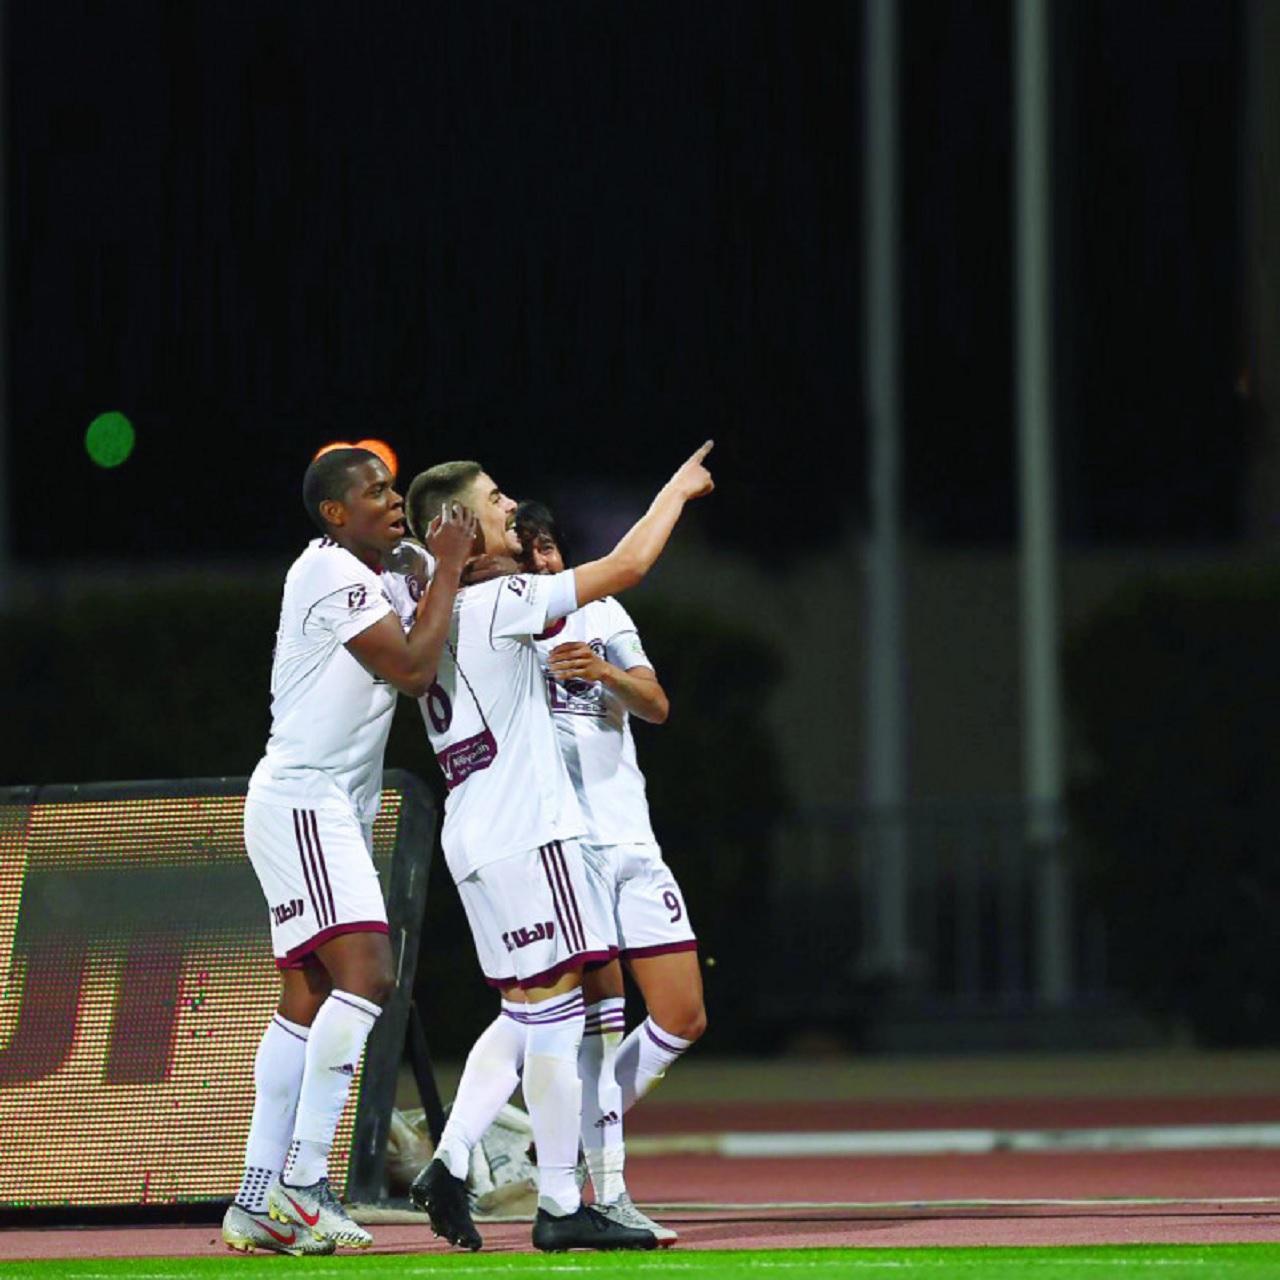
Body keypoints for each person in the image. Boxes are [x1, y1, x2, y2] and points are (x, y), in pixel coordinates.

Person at [402, 443, 714, 1254]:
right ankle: (561, 1200)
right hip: (529, 829)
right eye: (497, 498)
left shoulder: (427, 614)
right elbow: (629, 565)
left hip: (469, 830)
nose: (513, 507)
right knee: (564, 1012)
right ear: (464, 525)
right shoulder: (504, 598)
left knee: (529, 1007)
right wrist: (675, 492)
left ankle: (458, 1157)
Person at [222, 446, 477, 1255]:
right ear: (336, 513)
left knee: (305, 1000)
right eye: (375, 492)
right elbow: (409, 665)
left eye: (392, 486)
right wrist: (440, 567)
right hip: (305, 798)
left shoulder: (370, 570)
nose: (392, 498)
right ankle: (303, 1183)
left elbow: (432, 602)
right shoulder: (329, 572)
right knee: (369, 976)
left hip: (313, 803)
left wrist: (435, 566)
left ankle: (255, 1197)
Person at [514, 499, 707, 1246]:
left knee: (683, 1015)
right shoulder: (503, 625)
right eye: (529, 552)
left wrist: (602, 673)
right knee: (599, 1023)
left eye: (551, 548)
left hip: (634, 841)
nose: (546, 562)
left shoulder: (604, 613)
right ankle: (610, 1190)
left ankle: (546, 1138)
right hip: (569, 848)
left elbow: (656, 704)